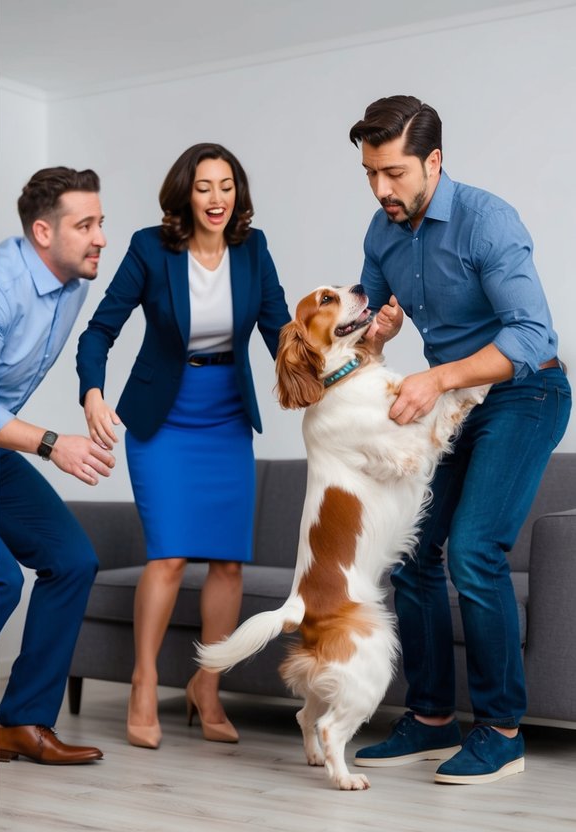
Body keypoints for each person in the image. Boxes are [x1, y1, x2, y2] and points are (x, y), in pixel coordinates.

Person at [349, 95, 571, 784]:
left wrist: (438, 377)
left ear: (433, 162)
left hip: (524, 391)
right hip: (454, 404)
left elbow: (531, 336)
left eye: (393, 173)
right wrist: (375, 338)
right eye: (369, 173)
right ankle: (429, 717)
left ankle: (501, 730)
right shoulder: (381, 233)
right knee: (414, 553)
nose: (381, 189)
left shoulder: (486, 220)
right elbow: (366, 321)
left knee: (474, 549)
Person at [76, 143, 290, 749]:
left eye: (226, 186)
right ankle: (144, 682)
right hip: (163, 417)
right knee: (168, 557)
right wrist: (92, 391)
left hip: (226, 413)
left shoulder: (254, 248)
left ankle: (207, 686)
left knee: (227, 562)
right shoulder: (151, 247)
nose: (216, 198)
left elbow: (280, 331)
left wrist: (332, 380)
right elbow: (101, 329)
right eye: (204, 187)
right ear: (185, 194)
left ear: (237, 194)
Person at [0, 167, 112, 765]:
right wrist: (50, 444)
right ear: (43, 232)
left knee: (72, 560)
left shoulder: (74, 281)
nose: (100, 238)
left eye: (101, 222)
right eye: (85, 225)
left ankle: (22, 723)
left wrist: (91, 399)